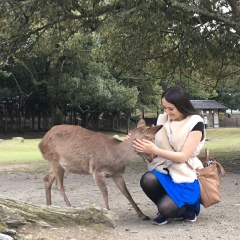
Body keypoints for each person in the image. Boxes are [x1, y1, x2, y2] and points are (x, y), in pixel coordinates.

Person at [132, 86, 206, 225]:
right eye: (164, 108)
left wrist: (156, 149)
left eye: (170, 109)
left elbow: (183, 156)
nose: (167, 112)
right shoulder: (162, 119)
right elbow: (154, 145)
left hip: (185, 173)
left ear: (182, 105)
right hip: (165, 169)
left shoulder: (195, 123)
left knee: (166, 208)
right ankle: (170, 206)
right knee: (148, 179)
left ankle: (190, 206)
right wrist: (136, 142)